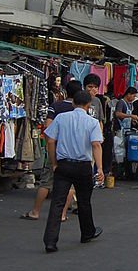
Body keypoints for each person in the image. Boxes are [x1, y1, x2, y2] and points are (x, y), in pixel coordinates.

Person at [42, 90, 104, 253]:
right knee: (84, 201)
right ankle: (87, 233)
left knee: (57, 202)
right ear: (88, 105)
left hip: (63, 165)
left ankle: (50, 241)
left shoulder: (61, 118)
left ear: (74, 103)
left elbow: (50, 140)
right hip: (83, 165)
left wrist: (54, 162)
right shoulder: (92, 122)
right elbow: (96, 145)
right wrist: (100, 168)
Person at [21, 79, 80, 222]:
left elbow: (48, 129)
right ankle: (63, 214)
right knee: (70, 185)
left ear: (66, 91)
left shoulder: (56, 106)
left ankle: (35, 211)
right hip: (73, 153)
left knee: (46, 183)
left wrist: (50, 148)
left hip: (56, 150)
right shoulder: (80, 111)